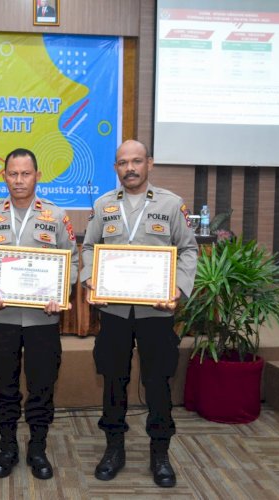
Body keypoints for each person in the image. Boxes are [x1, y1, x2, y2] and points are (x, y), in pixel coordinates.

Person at [80, 139, 198, 488]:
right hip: (114, 311)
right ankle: (113, 448)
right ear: (115, 168)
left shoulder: (172, 204)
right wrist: (90, 280)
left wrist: (178, 288)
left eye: (136, 161)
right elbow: (88, 247)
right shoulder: (103, 205)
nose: (129, 168)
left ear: (150, 163)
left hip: (156, 313)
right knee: (113, 381)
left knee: (158, 383)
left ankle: (160, 453)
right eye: (122, 163)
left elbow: (188, 250)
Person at [0, 148, 78, 480]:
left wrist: (60, 293)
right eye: (13, 174)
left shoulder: (57, 217)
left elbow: (71, 261)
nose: (19, 180)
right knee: (2, 386)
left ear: (37, 176)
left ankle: (38, 448)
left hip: (42, 321)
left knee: (42, 386)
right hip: (1, 319)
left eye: (25, 174)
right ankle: (7, 447)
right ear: (4, 176)